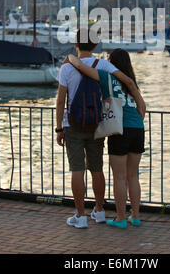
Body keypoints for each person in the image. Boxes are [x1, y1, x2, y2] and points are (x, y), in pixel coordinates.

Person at [56, 30, 146, 229]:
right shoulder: (105, 65)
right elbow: (128, 82)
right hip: (99, 124)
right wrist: (141, 105)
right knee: (99, 169)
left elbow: (61, 100)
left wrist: (59, 128)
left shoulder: (67, 68)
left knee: (78, 169)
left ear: (76, 43)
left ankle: (82, 216)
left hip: (74, 124)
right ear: (96, 46)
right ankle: (101, 211)